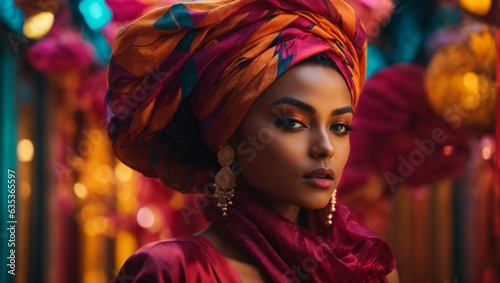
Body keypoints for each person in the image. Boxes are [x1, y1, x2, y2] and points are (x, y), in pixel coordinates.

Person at [106, 0, 398, 281]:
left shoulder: (368, 267)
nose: (325, 147)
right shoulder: (174, 271)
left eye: (340, 127)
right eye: (293, 123)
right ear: (227, 134)